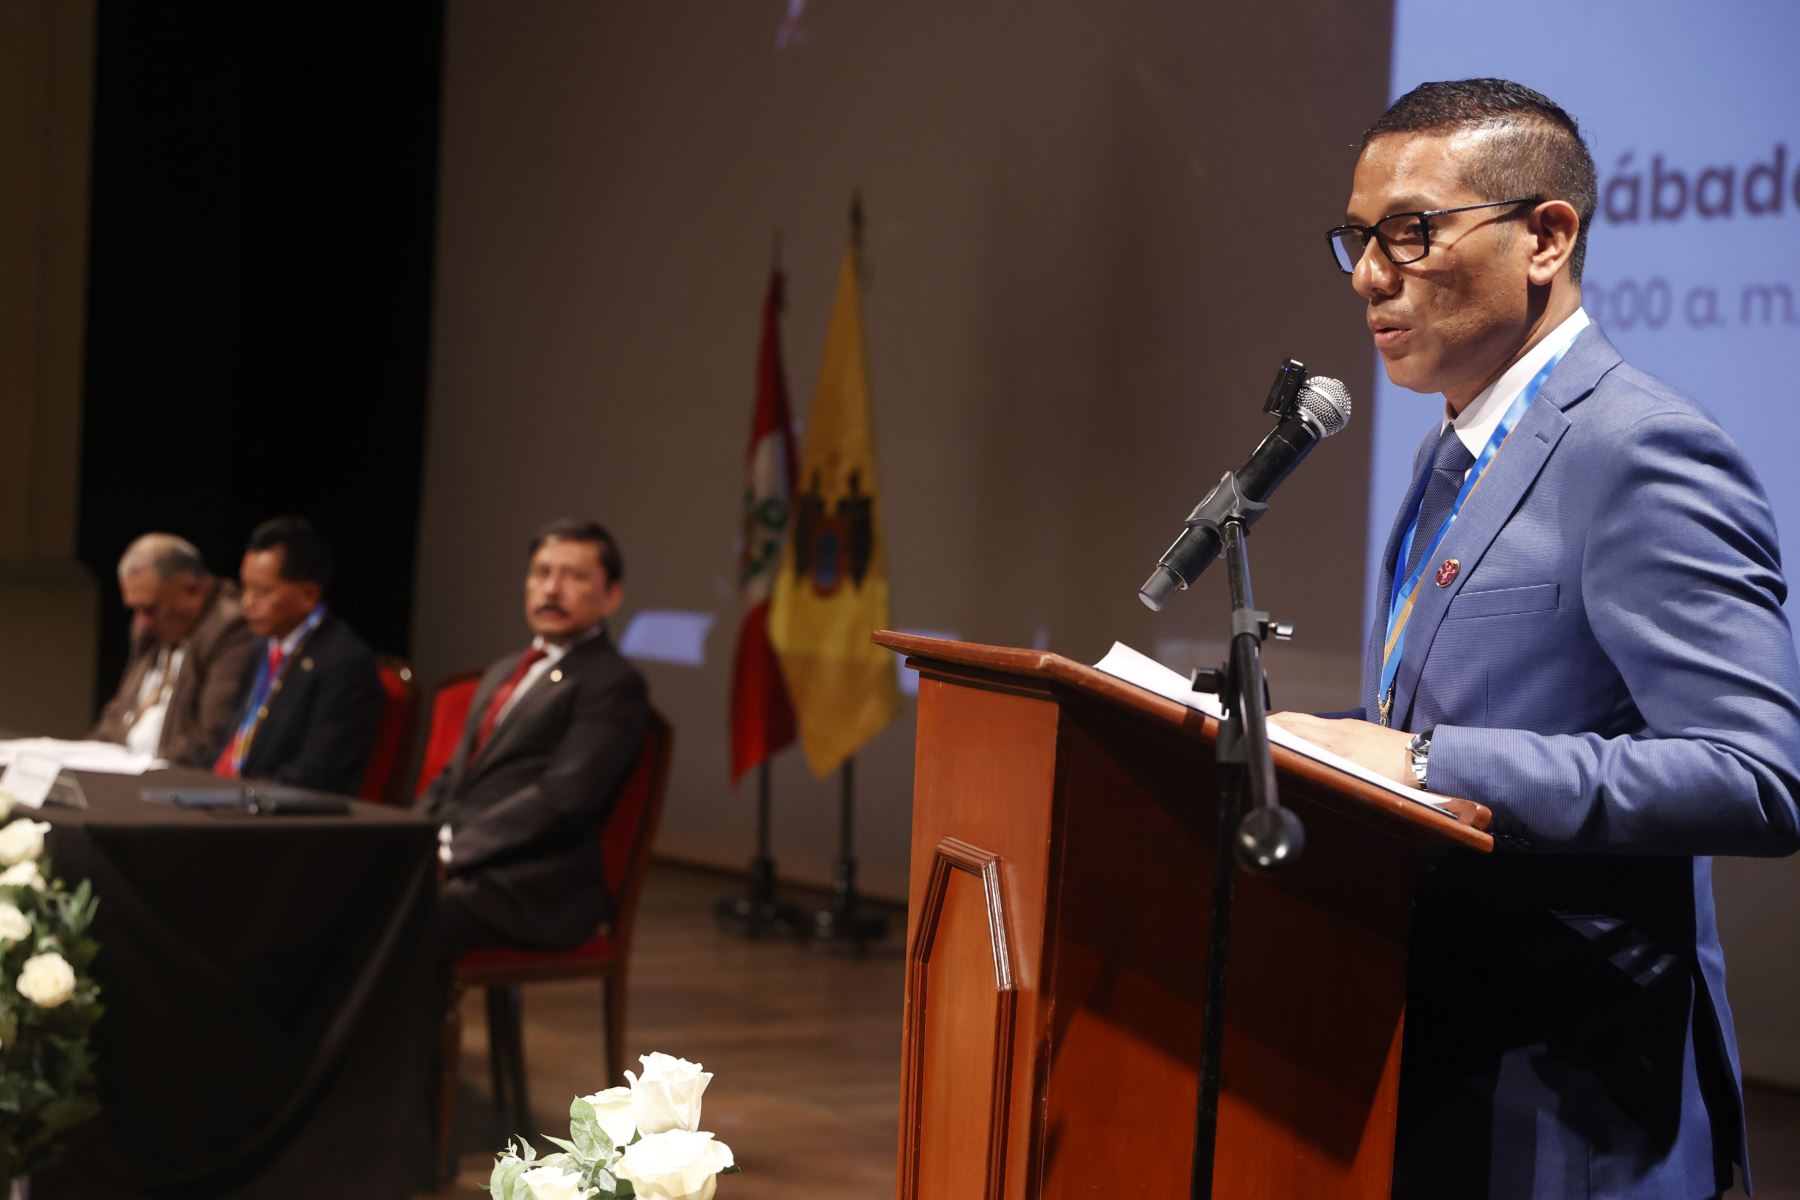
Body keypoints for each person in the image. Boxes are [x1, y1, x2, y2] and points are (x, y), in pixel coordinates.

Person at [1271, 79, 1800, 1199]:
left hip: (1580, 1104)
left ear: (1547, 236)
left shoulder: (1641, 451)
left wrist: (1421, 763)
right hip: (1436, 1057)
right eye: (1359, 239)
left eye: (1410, 233)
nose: (1371, 275)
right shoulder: (1442, 454)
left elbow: (1753, 778)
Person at [420, 518, 649, 961]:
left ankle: (394, 1031)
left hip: (533, 888)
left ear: (612, 596)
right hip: (469, 869)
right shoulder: (504, 671)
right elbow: (453, 778)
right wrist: (412, 840)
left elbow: (564, 798)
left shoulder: (612, 682)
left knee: (402, 912)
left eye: (574, 576)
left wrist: (450, 852)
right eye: (541, 573)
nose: (551, 589)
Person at [213, 516, 385, 794]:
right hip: (229, 794)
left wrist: (233, 796)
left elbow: (315, 775)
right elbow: (232, 741)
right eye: (245, 588)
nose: (247, 602)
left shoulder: (344, 663)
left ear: (308, 594)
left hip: (283, 817)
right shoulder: (261, 648)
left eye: (262, 591)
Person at [91, 533, 257, 765]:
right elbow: (119, 710)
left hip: (167, 779)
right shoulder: (148, 631)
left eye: (149, 609)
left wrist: (139, 773)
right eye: (135, 610)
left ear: (192, 591)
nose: (141, 622)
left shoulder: (230, 629)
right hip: (122, 771)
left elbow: (210, 737)